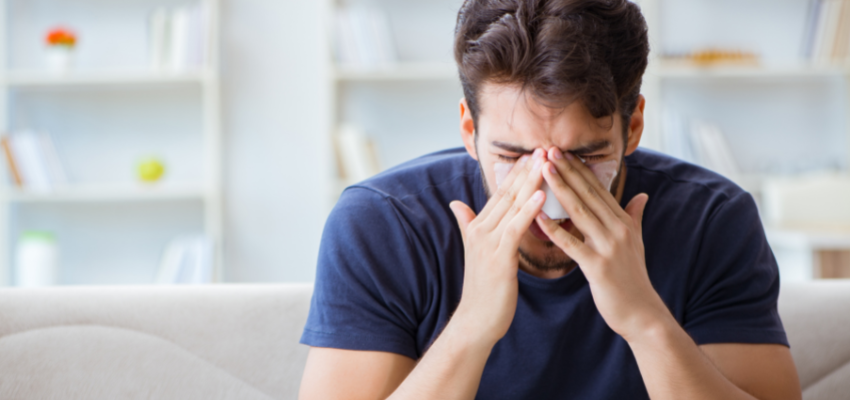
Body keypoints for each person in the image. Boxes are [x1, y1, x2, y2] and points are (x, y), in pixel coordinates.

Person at [299, 0, 801, 399]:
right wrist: (471, 326)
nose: (547, 195)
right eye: (513, 155)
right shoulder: (383, 224)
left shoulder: (712, 221)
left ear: (633, 127)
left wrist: (645, 321)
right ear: (469, 131)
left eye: (583, 158)